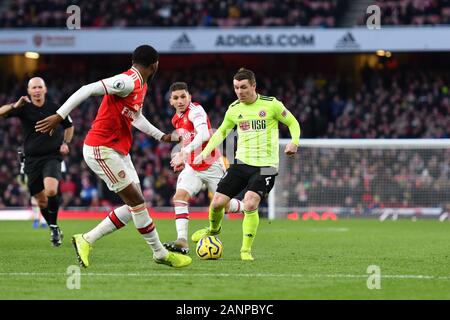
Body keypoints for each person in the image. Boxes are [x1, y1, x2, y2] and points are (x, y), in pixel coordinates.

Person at [35, 45, 192, 268]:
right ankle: (160, 253)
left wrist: (162, 136)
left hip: (118, 150)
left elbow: (135, 117)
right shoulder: (128, 81)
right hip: (101, 149)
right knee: (137, 202)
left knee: (134, 205)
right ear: (154, 64)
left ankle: (86, 239)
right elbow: (86, 89)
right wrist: (60, 116)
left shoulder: (141, 85)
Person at [191, 68, 301, 261]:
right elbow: (221, 132)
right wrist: (205, 153)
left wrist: (294, 142)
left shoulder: (271, 104)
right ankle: (213, 229)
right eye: (236, 88)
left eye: (243, 87)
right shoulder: (234, 109)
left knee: (250, 203)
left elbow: (293, 122)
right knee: (217, 203)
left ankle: (245, 251)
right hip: (241, 163)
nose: (239, 91)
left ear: (253, 86)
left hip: (266, 166)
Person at [164, 82, 244, 254]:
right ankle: (182, 241)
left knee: (226, 207)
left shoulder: (196, 111)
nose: (180, 101)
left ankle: (248, 206)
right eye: (176, 98)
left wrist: (183, 153)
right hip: (193, 168)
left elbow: (205, 134)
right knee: (179, 197)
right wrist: (184, 160)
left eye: (183, 97)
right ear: (170, 101)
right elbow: (188, 139)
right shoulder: (176, 119)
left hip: (212, 166)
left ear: (189, 97)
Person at [0, 77, 74, 246]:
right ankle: (53, 228)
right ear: (29, 91)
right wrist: (14, 106)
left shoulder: (56, 108)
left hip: (52, 156)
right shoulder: (23, 108)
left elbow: (69, 126)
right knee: (41, 201)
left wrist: (65, 143)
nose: (37, 90)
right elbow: (1, 112)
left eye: (40, 87)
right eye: (34, 88)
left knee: (51, 191)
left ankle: (54, 226)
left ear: (45, 89)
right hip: (31, 160)